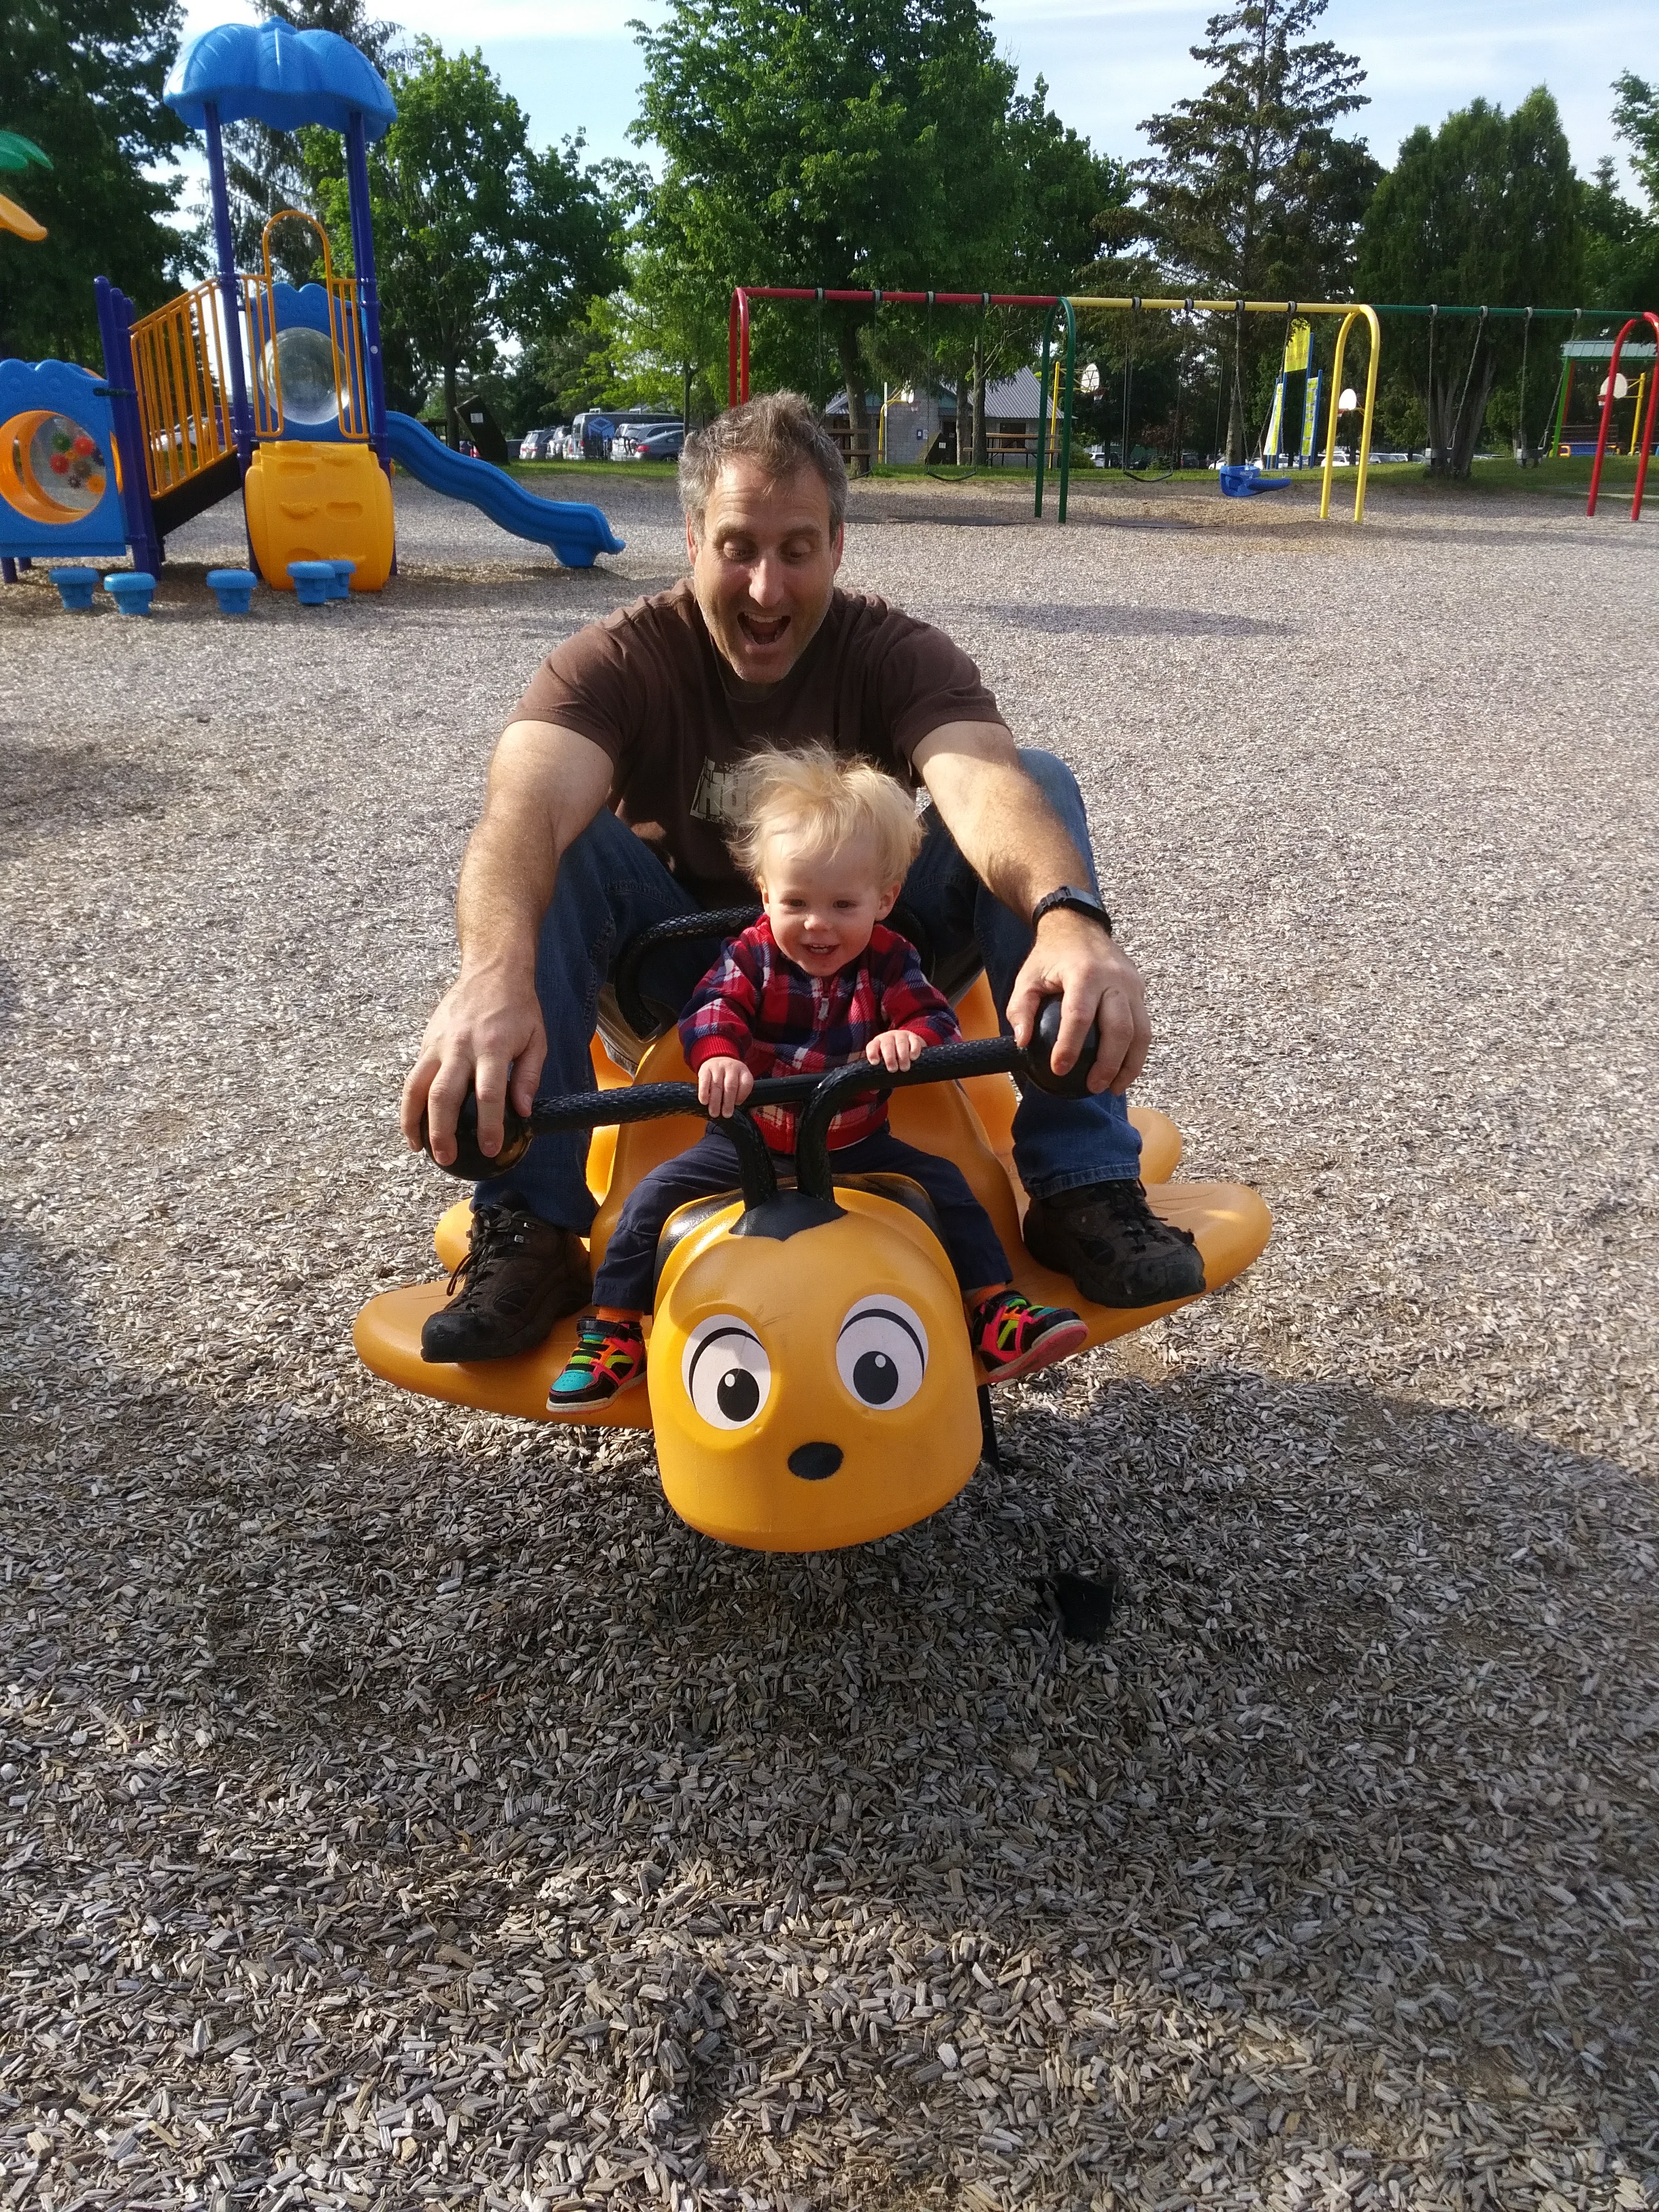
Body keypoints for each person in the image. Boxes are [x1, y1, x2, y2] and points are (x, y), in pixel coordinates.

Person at [403, 390, 1203, 1362]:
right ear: (692, 540)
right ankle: (530, 1222)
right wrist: (491, 975)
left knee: (1038, 779)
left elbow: (986, 784)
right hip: (685, 980)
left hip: (873, 959)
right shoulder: (614, 661)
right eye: (737, 547)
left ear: (837, 548)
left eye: (796, 550)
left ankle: (1082, 1183)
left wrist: (1070, 918)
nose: (766, 588)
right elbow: (523, 808)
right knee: (554, 841)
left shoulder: (895, 653)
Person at [546, 749, 1088, 1409]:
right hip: (745, 1143)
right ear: (765, 894)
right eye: (796, 901)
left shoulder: (890, 959)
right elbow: (712, 1008)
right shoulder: (751, 954)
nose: (817, 924)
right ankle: (614, 1332)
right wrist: (718, 1055)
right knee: (646, 1202)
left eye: (842, 903)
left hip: (858, 1141)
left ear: (884, 899)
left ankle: (994, 1310)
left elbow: (934, 1016)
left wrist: (910, 1036)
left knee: (950, 1186)